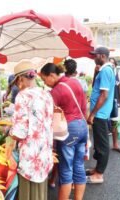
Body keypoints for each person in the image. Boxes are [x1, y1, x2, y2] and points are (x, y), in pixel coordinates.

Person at [40, 61, 88, 200]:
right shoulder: (75, 82)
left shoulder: (56, 91)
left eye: (45, 79)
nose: (45, 83)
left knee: (66, 168)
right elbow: (84, 106)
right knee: (79, 166)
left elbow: (49, 116)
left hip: (69, 130)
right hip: (82, 127)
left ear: (52, 75)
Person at [7, 61, 54, 200]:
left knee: (29, 194)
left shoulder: (23, 96)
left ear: (20, 79)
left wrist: (9, 131)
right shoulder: (46, 94)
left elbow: (19, 133)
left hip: (30, 155)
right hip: (44, 153)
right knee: (40, 193)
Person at [87, 47, 115, 184]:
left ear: (102, 56)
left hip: (100, 114)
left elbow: (104, 95)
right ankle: (97, 169)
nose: (93, 57)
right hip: (100, 113)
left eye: (95, 55)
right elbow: (97, 89)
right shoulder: (104, 70)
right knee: (99, 143)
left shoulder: (106, 71)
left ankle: (99, 174)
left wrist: (92, 114)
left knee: (102, 145)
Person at [109, 57, 120, 154]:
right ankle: (99, 145)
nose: (111, 65)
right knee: (102, 123)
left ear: (115, 65)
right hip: (105, 102)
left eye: (113, 63)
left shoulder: (118, 75)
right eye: (110, 63)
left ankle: (115, 145)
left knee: (114, 124)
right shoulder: (105, 73)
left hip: (115, 102)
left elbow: (119, 89)